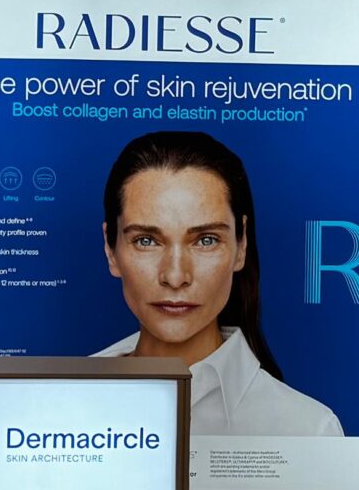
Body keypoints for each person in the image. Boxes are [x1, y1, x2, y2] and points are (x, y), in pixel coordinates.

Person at [92, 130, 343, 437]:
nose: (175, 276)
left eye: (206, 240)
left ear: (241, 245)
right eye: (146, 240)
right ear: (110, 249)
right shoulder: (57, 401)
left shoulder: (308, 430)